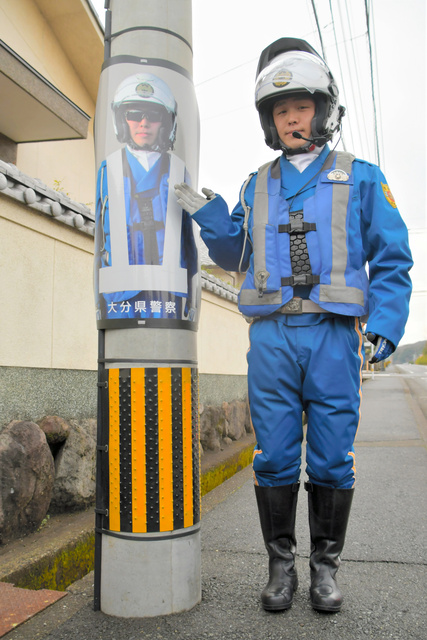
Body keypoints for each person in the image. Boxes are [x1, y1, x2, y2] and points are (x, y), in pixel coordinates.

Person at [174, 38, 413, 613]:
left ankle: (324, 571)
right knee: (275, 455)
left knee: (331, 457)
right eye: (280, 111)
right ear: (269, 121)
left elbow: (392, 256)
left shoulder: (361, 177)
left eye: (301, 107)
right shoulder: (255, 184)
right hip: (272, 337)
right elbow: (233, 255)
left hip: (333, 335)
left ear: (323, 111)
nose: (291, 118)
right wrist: (211, 216)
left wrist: (384, 322)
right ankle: (279, 569)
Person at [95, 73, 198, 325]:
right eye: (134, 114)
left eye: (153, 116)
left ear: (165, 123)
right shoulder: (108, 170)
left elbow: (189, 243)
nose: (143, 123)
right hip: (119, 298)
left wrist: (192, 301)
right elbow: (99, 240)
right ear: (122, 120)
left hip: (168, 295)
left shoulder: (178, 170)